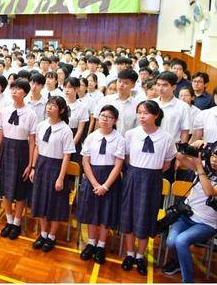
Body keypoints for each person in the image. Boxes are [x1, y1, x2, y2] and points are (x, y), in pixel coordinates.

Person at [121, 100, 176, 275]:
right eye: (139, 112)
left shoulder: (166, 137)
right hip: (133, 176)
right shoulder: (131, 134)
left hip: (153, 180)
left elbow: (167, 162)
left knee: (146, 217)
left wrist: (151, 173)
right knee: (129, 215)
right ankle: (129, 254)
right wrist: (137, 172)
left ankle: (139, 256)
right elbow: (127, 158)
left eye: (146, 113)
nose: (141, 116)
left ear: (156, 115)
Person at [162, 141, 217, 283]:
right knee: (171, 242)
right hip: (187, 215)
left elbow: (209, 191)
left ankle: (187, 280)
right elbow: (179, 156)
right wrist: (191, 146)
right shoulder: (205, 167)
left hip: (206, 224)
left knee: (181, 241)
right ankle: (180, 263)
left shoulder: (201, 168)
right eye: (213, 156)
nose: (215, 161)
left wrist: (199, 167)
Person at [77, 105, 124, 265]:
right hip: (92, 178)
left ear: (115, 120)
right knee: (92, 212)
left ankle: (101, 246)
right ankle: (91, 243)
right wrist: (95, 183)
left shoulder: (119, 139)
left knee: (105, 213)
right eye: (102, 116)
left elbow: (118, 166)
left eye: (109, 117)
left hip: (110, 179)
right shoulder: (91, 137)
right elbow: (85, 161)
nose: (104, 119)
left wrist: (105, 186)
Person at [29, 96, 76, 252]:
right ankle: (43, 233)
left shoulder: (65, 130)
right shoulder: (41, 125)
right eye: (48, 104)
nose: (49, 107)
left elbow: (67, 156)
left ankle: (52, 236)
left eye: (53, 106)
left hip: (56, 167)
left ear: (61, 110)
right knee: (41, 200)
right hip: (42, 165)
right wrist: (34, 168)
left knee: (55, 203)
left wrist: (61, 178)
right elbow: (37, 147)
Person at [0, 79, 37, 240]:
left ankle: (17, 223)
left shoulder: (30, 113)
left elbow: (32, 140)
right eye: (13, 88)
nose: (14, 91)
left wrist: (30, 164)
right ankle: (9, 220)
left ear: (25, 93)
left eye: (18, 89)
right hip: (6, 149)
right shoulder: (5, 110)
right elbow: (0, 133)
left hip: (22, 151)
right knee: (5, 188)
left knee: (20, 189)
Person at [94, 69, 141, 137]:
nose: (121, 85)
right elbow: (98, 123)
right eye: (119, 81)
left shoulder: (136, 105)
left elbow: (137, 128)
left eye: (125, 83)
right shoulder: (105, 100)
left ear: (133, 85)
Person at [63, 77, 89, 163]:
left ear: (77, 89)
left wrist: (71, 146)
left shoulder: (82, 107)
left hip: (73, 137)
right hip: (60, 136)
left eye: (70, 87)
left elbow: (80, 130)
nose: (66, 90)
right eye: (65, 87)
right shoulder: (61, 103)